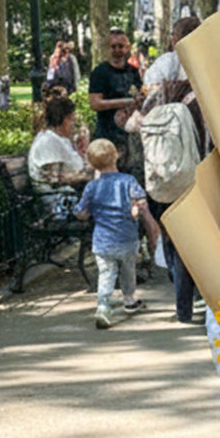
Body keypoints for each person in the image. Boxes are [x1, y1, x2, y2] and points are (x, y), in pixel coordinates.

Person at [140, 78, 207, 324]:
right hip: (191, 180)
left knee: (174, 243)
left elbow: (131, 124)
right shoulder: (198, 98)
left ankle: (183, 308)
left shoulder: (157, 97)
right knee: (195, 243)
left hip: (161, 181)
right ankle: (200, 298)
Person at [74, 138, 158, 329]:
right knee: (128, 270)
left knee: (106, 273)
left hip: (102, 241)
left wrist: (85, 213)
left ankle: (103, 305)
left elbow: (81, 212)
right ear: (116, 156)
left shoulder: (92, 187)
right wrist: (138, 212)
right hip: (127, 238)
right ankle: (129, 299)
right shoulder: (128, 181)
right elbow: (141, 202)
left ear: (92, 163)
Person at [87, 30, 143, 167]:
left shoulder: (133, 72)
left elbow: (138, 94)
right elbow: (95, 103)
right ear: (108, 48)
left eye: (121, 46)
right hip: (107, 133)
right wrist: (126, 102)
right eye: (113, 46)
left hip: (129, 134)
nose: (117, 50)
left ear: (128, 48)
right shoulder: (100, 72)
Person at [28, 94, 91, 205]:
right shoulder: (47, 141)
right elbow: (54, 180)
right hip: (58, 200)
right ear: (63, 120)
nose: (74, 125)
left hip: (70, 194)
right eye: (72, 120)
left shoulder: (61, 139)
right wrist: (86, 177)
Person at [142, 16, 201, 92]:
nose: (171, 38)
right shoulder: (167, 61)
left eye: (173, 34)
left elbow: (151, 86)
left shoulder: (166, 61)